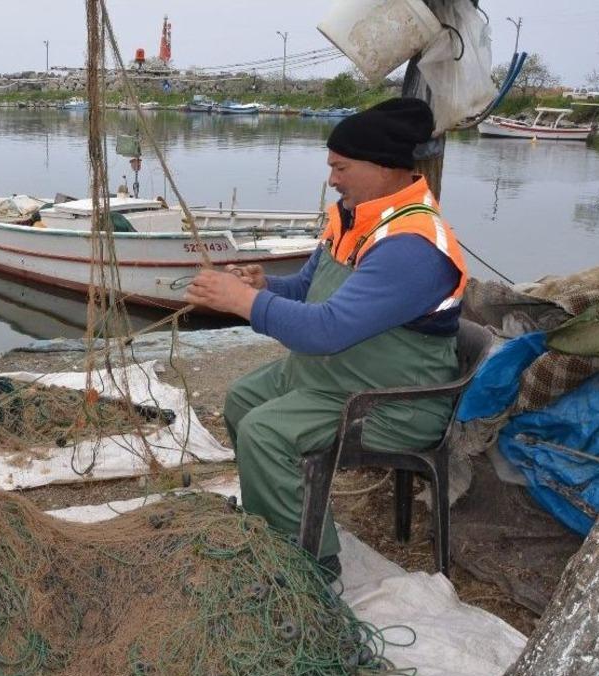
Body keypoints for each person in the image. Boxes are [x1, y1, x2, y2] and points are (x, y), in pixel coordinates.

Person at [184, 98, 468, 575]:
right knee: (240, 401)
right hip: (336, 375)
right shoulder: (356, 217)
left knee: (264, 432)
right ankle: (286, 516)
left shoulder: (412, 246)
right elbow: (307, 291)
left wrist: (240, 301)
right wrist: (264, 285)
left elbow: (326, 329)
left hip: (390, 399)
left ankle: (314, 564)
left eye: (340, 167)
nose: (332, 179)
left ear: (382, 166)